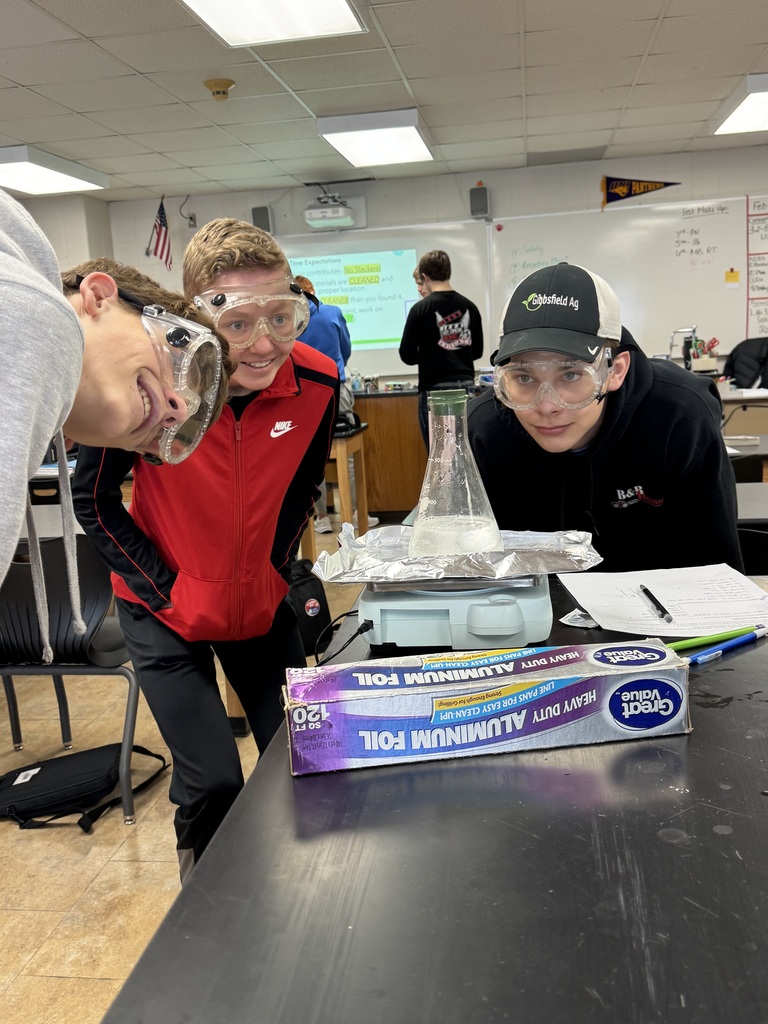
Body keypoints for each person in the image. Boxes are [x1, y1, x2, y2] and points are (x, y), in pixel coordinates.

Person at [72, 219, 339, 880]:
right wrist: (165, 586)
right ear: (197, 317)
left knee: (307, 757)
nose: (264, 342)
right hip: (163, 608)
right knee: (214, 782)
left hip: (258, 603)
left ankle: (308, 888)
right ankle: (206, 911)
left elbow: (306, 487)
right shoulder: (154, 387)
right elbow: (95, 501)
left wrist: (274, 569)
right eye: (239, 322)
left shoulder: (320, 383)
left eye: (282, 316)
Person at [1, 188, 227, 658]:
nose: (176, 410)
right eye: (177, 352)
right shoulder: (33, 316)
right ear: (98, 296)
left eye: (172, 435)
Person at [467, 262, 744, 573]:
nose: (546, 407)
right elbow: (479, 569)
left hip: (663, 610)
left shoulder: (680, 416)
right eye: (524, 378)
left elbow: (717, 568)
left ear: (615, 370)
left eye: (571, 375)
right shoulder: (484, 431)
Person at [293, 274, 378, 533]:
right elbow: (346, 349)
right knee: (347, 454)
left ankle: (321, 517)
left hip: (300, 394)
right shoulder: (332, 313)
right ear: (313, 291)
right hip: (335, 389)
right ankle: (351, 514)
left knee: (310, 456)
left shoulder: (290, 322)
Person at [399, 249, 484, 448]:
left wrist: (431, 354)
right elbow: (477, 351)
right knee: (465, 449)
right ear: (448, 273)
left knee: (437, 452)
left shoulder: (420, 309)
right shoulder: (469, 306)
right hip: (465, 387)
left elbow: (407, 355)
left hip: (434, 390)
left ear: (425, 277)